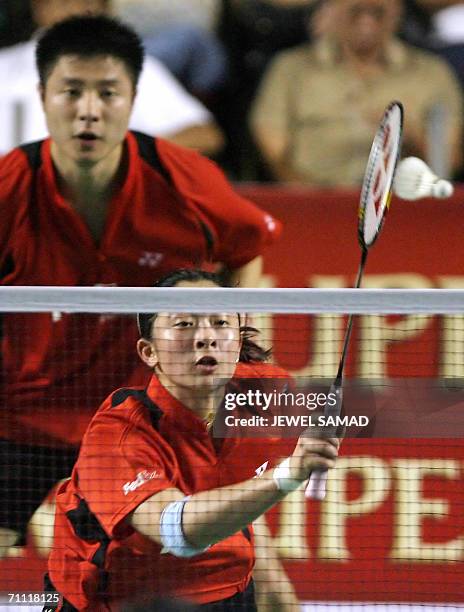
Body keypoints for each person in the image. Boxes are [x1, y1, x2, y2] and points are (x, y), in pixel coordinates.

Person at [0, 14, 281, 556]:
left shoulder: (183, 180)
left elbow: (245, 249)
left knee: (252, 574)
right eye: (71, 91)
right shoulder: (12, 187)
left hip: (140, 418)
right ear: (43, 95)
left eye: (107, 92)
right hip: (23, 417)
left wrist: (231, 344)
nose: (89, 110)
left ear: (132, 98)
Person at [47, 269, 339, 611]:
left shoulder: (268, 392)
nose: (206, 337)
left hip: (228, 592)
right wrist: (290, 473)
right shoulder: (118, 434)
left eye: (219, 322)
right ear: (148, 352)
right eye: (184, 323)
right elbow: (176, 532)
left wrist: (334, 420)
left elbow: (386, 410)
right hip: (120, 601)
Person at [250, 0, 464, 186]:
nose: (367, 13)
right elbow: (274, 156)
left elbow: (448, 162)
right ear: (331, 9)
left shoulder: (431, 72)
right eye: (356, 9)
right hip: (314, 200)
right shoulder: (291, 69)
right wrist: (310, 198)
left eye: (378, 10)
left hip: (402, 205)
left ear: (398, 9)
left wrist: (406, 132)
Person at [0, 0, 224, 155]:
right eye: (66, 2)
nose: (79, 12)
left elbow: (204, 136)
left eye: (90, 3)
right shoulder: (5, 67)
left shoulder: (135, 68)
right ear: (40, 7)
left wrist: (117, 156)